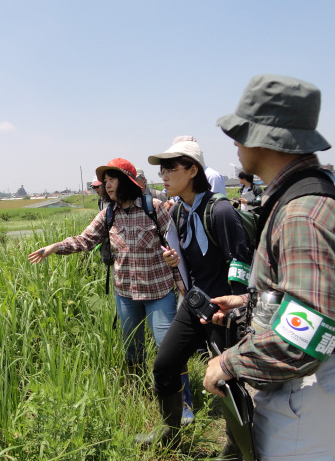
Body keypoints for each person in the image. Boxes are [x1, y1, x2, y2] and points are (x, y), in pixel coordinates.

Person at [203, 74, 335, 460]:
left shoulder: (302, 213)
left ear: (267, 138)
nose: (235, 140)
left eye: (242, 131)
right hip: (318, 394)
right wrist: (251, 305)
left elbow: (307, 333)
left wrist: (227, 362)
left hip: (312, 402)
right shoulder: (310, 193)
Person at [28, 158, 193, 420]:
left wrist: (175, 263)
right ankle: (141, 394)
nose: (107, 185)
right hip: (126, 295)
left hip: (158, 293)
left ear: (126, 180)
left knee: (168, 350)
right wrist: (54, 247)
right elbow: (84, 240)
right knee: (132, 349)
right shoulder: (108, 214)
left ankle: (182, 405)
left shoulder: (155, 208)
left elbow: (176, 245)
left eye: (112, 179)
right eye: (105, 181)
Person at [136, 140, 251, 454]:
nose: (163, 174)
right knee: (164, 365)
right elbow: (194, 259)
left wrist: (236, 311)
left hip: (222, 310)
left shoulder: (221, 210)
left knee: (227, 381)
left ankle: (235, 449)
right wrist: (176, 262)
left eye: (171, 167)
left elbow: (239, 262)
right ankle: (169, 433)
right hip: (194, 303)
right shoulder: (182, 212)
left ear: (193, 170)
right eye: (162, 168)